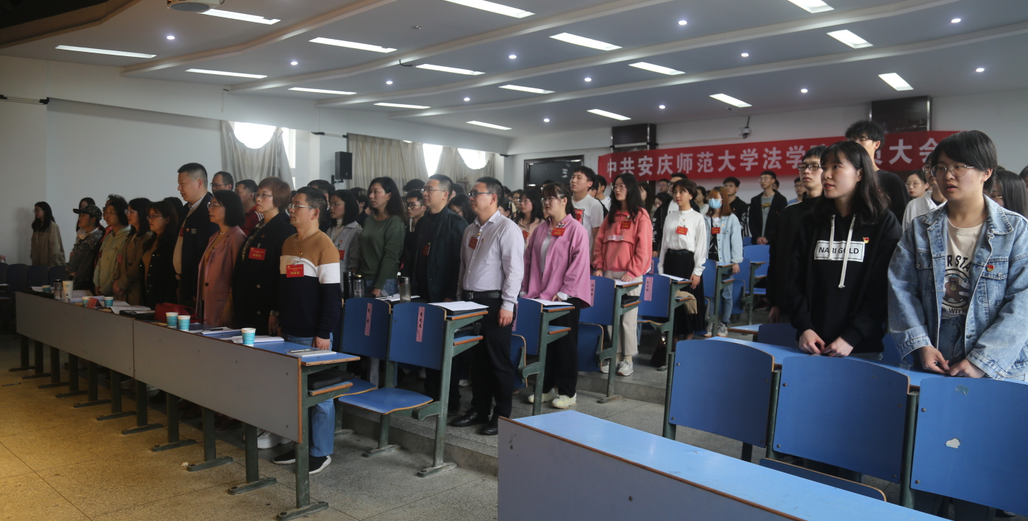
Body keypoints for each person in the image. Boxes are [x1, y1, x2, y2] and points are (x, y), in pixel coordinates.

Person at [887, 131, 1028, 519]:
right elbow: (900, 288)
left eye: (959, 166)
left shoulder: (1016, 230)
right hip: (934, 359)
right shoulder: (921, 228)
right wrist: (919, 344)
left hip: (996, 369)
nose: (947, 175)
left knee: (978, 471)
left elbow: (1023, 303)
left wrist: (982, 360)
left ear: (986, 172)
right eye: (940, 167)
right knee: (928, 465)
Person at [787, 141, 901, 358]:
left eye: (836, 167)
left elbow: (883, 288)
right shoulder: (811, 221)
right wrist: (804, 327)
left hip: (860, 347)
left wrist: (852, 336)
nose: (826, 175)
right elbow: (794, 279)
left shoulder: (883, 223)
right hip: (810, 343)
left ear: (859, 173)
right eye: (824, 167)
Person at [271, 187, 341, 474]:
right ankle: (300, 443)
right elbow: (283, 287)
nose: (291, 209)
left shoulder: (325, 245)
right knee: (294, 394)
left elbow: (332, 296)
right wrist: (277, 314)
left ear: (314, 212)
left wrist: (323, 332)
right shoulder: (288, 242)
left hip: (313, 333)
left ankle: (320, 451)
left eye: (297, 205)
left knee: (320, 395)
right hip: (289, 328)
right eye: (291, 205)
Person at [450, 177, 524, 436]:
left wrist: (508, 304)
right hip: (470, 301)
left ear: (493, 197)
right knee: (476, 360)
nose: (471, 197)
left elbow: (514, 271)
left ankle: (501, 415)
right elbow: (464, 267)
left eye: (476, 193)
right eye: (470, 193)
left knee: (497, 361)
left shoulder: (506, 228)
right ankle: (479, 409)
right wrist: (459, 298)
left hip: (495, 302)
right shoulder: (471, 229)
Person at [522, 182, 593, 408]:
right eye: (544, 198)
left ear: (564, 201)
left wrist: (564, 292)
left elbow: (579, 264)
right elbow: (528, 261)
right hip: (541, 297)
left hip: (564, 298)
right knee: (546, 344)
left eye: (551, 198)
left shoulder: (576, 229)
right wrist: (525, 289)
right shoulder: (541, 229)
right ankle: (545, 387)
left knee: (565, 345)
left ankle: (567, 392)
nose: (546, 202)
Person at [402, 174, 468, 410]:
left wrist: (451, 294)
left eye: (430, 189)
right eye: (424, 189)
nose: (425, 193)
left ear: (445, 194)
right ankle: (431, 392)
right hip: (423, 293)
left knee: (447, 348)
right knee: (428, 344)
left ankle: (450, 400)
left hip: (445, 295)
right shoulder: (422, 222)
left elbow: (459, 264)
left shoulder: (456, 223)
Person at [592, 173, 652, 376]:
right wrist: (599, 266)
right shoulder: (611, 215)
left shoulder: (641, 215)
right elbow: (599, 243)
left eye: (622, 186)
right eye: (615, 186)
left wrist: (633, 271)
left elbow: (644, 248)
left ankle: (628, 359)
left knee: (628, 319)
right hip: (609, 273)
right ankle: (615, 355)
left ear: (631, 188)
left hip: (630, 275)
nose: (617, 190)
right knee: (611, 318)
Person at [768, 146, 825, 324]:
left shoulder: (836, 213)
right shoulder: (788, 213)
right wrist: (774, 302)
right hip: (788, 304)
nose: (806, 171)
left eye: (814, 166)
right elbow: (776, 259)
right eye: (803, 166)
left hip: (822, 306)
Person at [234, 177, 294, 337]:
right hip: (248, 300)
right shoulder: (258, 227)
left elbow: (280, 275)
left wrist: (275, 310)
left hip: (264, 304)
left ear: (279, 200)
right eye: (258, 194)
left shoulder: (284, 230)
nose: (258, 199)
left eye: (265, 195)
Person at [657, 179, 707, 342]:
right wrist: (661, 268)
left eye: (682, 192)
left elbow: (701, 246)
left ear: (691, 195)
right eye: (675, 192)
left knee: (688, 301)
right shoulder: (670, 217)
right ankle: (673, 340)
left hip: (688, 263)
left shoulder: (697, 218)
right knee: (671, 302)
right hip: (670, 262)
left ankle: (687, 341)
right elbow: (664, 244)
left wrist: (697, 271)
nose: (677, 195)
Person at [196, 190, 246, 328]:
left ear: (229, 207)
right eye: (210, 205)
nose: (210, 209)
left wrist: (229, 308)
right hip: (207, 300)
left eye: (215, 205)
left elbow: (236, 277)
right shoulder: (215, 236)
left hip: (222, 303)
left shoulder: (237, 237)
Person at [845, 120, 909, 222]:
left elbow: (901, 218)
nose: (856, 143)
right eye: (852, 139)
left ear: (876, 144)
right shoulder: (844, 179)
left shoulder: (891, 180)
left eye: (862, 139)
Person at [175, 163, 217, 307]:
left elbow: (204, 254)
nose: (179, 188)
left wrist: (194, 288)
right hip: (181, 282)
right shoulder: (185, 209)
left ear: (199, 183)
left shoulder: (210, 211)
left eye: (182, 184)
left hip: (195, 287)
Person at [704, 187, 743, 337]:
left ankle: (724, 324)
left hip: (725, 263)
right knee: (711, 295)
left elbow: (736, 241)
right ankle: (711, 322)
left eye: (716, 198)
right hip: (709, 264)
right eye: (711, 198)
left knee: (726, 295)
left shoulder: (731, 218)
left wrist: (735, 261)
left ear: (723, 200)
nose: (712, 201)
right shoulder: (704, 218)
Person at [358, 177, 405, 297]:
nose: (371, 196)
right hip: (364, 277)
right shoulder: (369, 220)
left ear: (389, 196)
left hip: (384, 281)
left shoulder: (395, 221)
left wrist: (378, 286)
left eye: (376, 192)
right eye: (370, 192)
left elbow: (391, 256)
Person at [112, 198, 152, 305]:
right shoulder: (131, 235)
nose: (128, 214)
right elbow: (120, 260)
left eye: (131, 211)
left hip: (134, 289)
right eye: (127, 211)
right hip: (122, 289)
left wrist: (121, 283)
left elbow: (137, 265)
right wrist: (116, 280)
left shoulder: (147, 237)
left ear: (142, 213)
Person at [141, 200, 180, 309]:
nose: (150, 219)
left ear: (167, 219)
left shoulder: (172, 243)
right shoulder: (149, 242)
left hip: (163, 299)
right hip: (146, 296)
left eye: (155, 216)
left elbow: (171, 276)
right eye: (149, 216)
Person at [94, 197, 131, 296]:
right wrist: (97, 284)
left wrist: (105, 289)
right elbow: (99, 262)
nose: (106, 216)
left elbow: (118, 268)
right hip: (101, 290)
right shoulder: (109, 236)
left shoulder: (127, 237)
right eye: (106, 212)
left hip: (115, 292)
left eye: (111, 212)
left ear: (121, 213)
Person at [902, 156, 948, 232]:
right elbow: (906, 235)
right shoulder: (913, 205)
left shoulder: (957, 204)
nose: (932, 171)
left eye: (938, 167)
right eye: (928, 167)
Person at [569, 167, 604, 264]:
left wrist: (593, 257)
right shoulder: (566, 201)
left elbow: (596, 234)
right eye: (573, 177)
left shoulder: (594, 204)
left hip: (583, 256)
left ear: (590, 184)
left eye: (579, 178)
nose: (574, 180)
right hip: (565, 253)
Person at [326, 189, 362, 277]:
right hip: (328, 274)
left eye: (336, 204)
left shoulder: (356, 230)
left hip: (344, 276)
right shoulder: (330, 230)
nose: (331, 207)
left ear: (348, 206)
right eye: (330, 204)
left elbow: (355, 262)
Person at [747, 171, 788, 245]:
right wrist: (757, 237)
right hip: (757, 241)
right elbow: (751, 221)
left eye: (765, 179)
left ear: (773, 180)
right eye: (761, 179)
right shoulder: (755, 200)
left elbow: (781, 221)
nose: (763, 181)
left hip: (775, 240)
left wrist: (768, 237)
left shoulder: (780, 200)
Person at [67, 205, 103, 291]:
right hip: (74, 280)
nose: (80, 218)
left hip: (83, 284)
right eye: (80, 215)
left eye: (83, 215)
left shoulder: (95, 238)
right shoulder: (83, 235)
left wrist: (74, 283)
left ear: (93, 219)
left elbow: (85, 267)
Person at [30, 202, 65, 267]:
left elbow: (54, 248)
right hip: (38, 264)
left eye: (37, 210)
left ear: (45, 211)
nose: (35, 213)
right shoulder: (37, 226)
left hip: (51, 265)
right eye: (35, 210)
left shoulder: (53, 226)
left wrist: (50, 264)